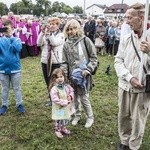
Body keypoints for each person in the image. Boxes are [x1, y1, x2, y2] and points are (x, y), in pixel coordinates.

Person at [114, 3, 150, 150]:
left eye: (129, 18)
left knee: (138, 119)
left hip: (142, 88)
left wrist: (149, 52)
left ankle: (134, 145)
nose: (127, 21)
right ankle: (124, 141)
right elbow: (118, 61)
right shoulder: (126, 38)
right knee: (123, 116)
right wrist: (129, 77)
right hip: (125, 84)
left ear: (141, 18)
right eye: (125, 17)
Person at [62, 19, 98, 128]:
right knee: (74, 97)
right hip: (71, 77)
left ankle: (90, 117)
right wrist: (65, 75)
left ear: (78, 28)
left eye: (73, 28)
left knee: (84, 98)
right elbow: (64, 61)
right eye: (68, 29)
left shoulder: (85, 40)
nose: (71, 31)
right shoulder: (66, 43)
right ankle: (77, 115)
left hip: (84, 76)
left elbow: (94, 58)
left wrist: (88, 69)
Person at [37, 17, 65, 106]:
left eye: (53, 24)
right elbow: (38, 43)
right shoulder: (46, 34)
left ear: (58, 26)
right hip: (45, 61)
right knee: (48, 81)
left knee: (56, 81)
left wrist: (49, 34)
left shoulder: (61, 35)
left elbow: (54, 43)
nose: (51, 26)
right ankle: (52, 100)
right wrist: (42, 32)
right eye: (50, 24)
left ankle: (59, 99)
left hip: (55, 62)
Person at [0, 19, 25, 115]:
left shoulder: (17, 39)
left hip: (15, 69)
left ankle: (19, 104)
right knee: (4, 88)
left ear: (12, 28)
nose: (5, 30)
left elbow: (17, 48)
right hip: (2, 69)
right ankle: (4, 105)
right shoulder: (0, 40)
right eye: (4, 28)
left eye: (7, 28)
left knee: (17, 88)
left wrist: (11, 36)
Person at [49, 68, 74, 138]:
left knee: (65, 118)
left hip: (66, 108)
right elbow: (55, 99)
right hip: (59, 108)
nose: (59, 79)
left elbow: (72, 91)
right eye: (57, 77)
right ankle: (57, 130)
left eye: (61, 77)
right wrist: (66, 101)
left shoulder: (66, 86)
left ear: (64, 77)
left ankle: (63, 128)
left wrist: (70, 96)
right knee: (59, 119)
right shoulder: (54, 89)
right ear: (54, 79)